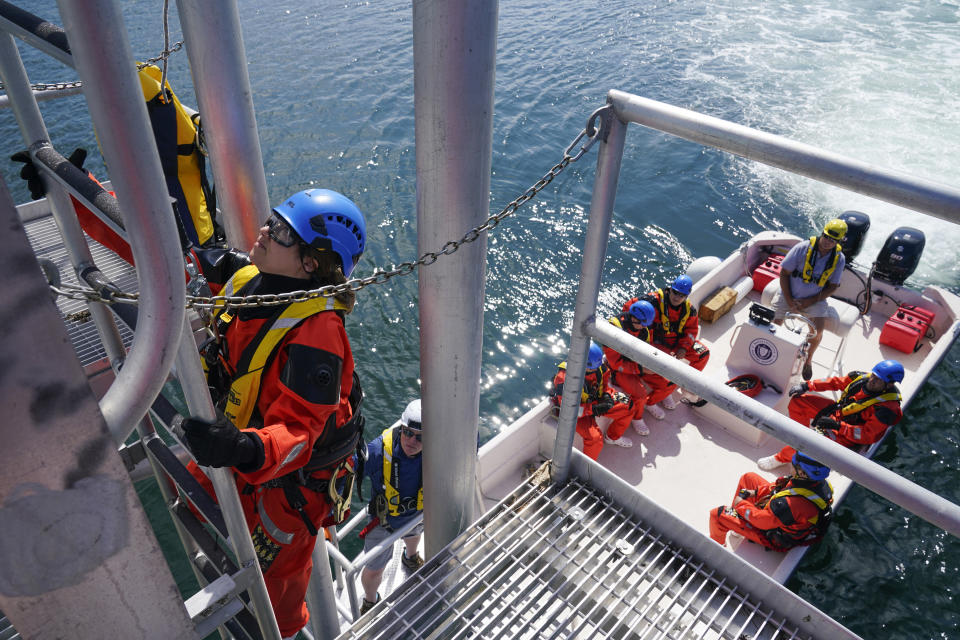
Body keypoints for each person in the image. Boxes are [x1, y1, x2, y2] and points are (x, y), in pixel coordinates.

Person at [180, 188, 367, 639]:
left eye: (281, 231)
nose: (264, 230)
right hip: (245, 451)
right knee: (185, 486)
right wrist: (79, 200)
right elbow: (159, 257)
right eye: (271, 220)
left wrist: (243, 447)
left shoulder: (318, 333)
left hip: (286, 487)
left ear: (311, 262)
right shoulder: (248, 281)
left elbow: (300, 432)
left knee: (277, 595)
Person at [758, 359, 904, 471]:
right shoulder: (860, 379)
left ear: (889, 385)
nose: (872, 381)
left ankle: (781, 458)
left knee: (809, 442)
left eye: (878, 380)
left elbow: (867, 435)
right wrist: (807, 386)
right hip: (836, 413)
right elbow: (834, 383)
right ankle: (800, 435)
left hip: (848, 435)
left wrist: (838, 426)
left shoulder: (886, 409)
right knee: (798, 401)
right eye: (873, 375)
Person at [357, 399, 425, 614]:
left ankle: (410, 557)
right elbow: (350, 470)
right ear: (401, 429)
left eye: (420, 437)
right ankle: (370, 600)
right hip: (383, 522)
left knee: (414, 534)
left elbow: (469, 440)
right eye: (407, 432)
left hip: (415, 516)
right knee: (374, 569)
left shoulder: (439, 448)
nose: (411, 440)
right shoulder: (378, 451)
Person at [769, 219, 848, 380]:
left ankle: (807, 360)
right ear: (822, 233)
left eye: (833, 240)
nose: (828, 242)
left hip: (814, 300)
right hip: (788, 294)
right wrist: (790, 301)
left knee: (817, 332)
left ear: (839, 242)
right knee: (773, 325)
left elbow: (832, 286)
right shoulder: (802, 248)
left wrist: (809, 301)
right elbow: (784, 273)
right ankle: (772, 350)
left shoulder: (839, 259)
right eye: (826, 237)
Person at [623, 275, 710, 416]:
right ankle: (651, 403)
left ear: (687, 295)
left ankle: (686, 385)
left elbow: (691, 331)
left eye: (682, 295)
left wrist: (684, 347)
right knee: (670, 380)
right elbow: (629, 308)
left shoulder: (690, 310)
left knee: (703, 354)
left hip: (676, 344)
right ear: (670, 289)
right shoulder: (651, 301)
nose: (677, 297)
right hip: (653, 344)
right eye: (675, 292)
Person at [709, 452, 833, 550]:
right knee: (748, 478)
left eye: (794, 463)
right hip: (779, 517)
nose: (791, 462)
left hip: (772, 535)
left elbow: (761, 521)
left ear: (802, 473)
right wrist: (755, 492)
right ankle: (737, 523)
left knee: (717, 514)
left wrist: (741, 504)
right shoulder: (814, 483)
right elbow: (779, 488)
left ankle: (716, 547)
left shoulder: (791, 505)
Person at [549, 342, 645, 457]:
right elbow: (569, 410)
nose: (594, 371)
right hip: (576, 413)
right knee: (595, 438)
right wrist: (594, 409)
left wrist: (607, 395)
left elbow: (604, 384)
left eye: (595, 368)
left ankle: (612, 437)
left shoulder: (598, 367)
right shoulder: (564, 379)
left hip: (597, 398)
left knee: (629, 404)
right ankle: (587, 468)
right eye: (590, 369)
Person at [603, 300, 672, 435]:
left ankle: (650, 403)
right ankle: (637, 418)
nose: (643, 327)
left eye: (645, 324)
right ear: (633, 317)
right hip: (617, 368)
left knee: (669, 381)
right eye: (641, 323)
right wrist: (641, 369)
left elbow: (645, 350)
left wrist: (652, 363)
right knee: (640, 395)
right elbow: (615, 363)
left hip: (636, 363)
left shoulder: (643, 330)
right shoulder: (614, 329)